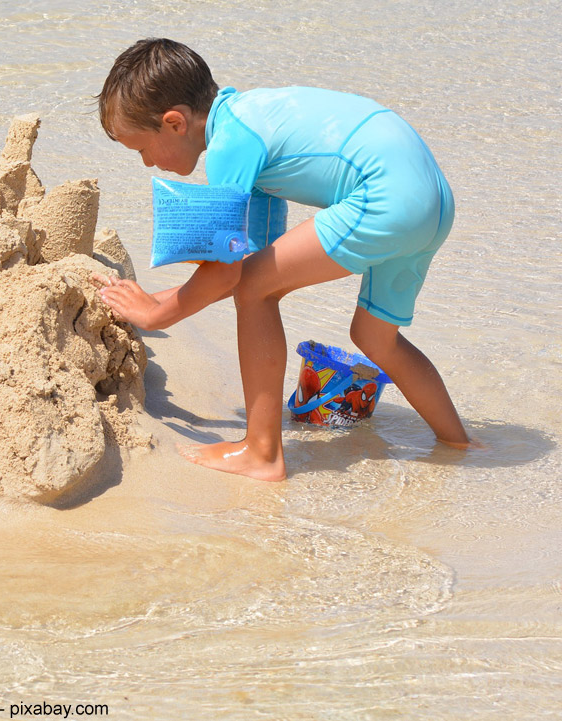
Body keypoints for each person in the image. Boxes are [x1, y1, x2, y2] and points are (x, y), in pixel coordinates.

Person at [92, 38, 471, 482]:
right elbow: (243, 263)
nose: (145, 164)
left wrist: (157, 315)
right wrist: (158, 299)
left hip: (387, 196)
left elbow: (236, 276)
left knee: (256, 289)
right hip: (432, 201)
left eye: (141, 150)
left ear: (174, 122)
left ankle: (262, 452)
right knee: (374, 335)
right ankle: (459, 444)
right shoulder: (251, 117)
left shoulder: (230, 146)